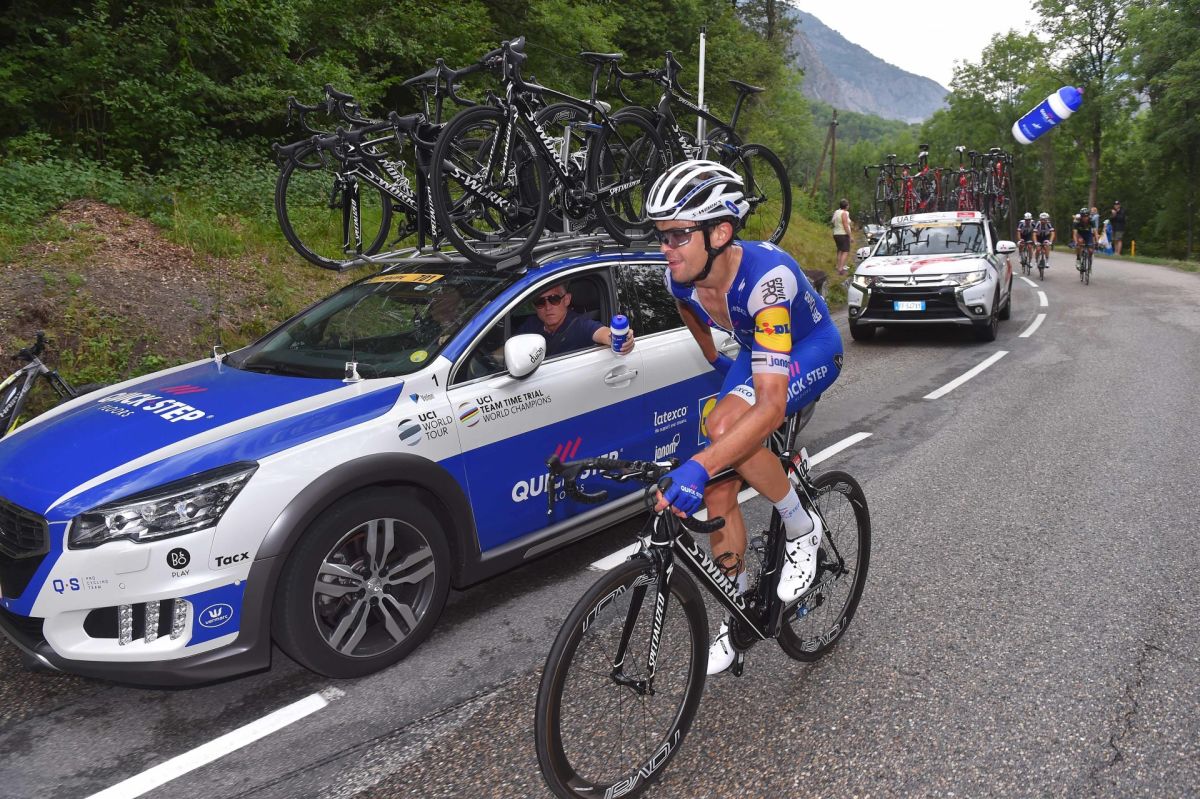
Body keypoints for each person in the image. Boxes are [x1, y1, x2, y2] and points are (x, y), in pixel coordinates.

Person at [645, 160, 843, 675]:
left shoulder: (766, 282)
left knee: (722, 433)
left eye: (678, 235)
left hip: (811, 347)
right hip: (756, 349)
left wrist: (697, 465)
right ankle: (736, 615)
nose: (666, 248)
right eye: (661, 235)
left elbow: (771, 406)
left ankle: (801, 525)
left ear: (720, 233)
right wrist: (713, 354)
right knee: (718, 490)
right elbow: (689, 309)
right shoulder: (681, 277)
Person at [515, 281, 634, 357]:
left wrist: (621, 338)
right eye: (540, 302)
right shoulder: (531, 324)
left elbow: (602, 333)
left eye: (554, 299)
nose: (548, 307)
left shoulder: (580, 325)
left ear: (567, 300)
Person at [831, 199, 852, 275]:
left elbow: (833, 221)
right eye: (848, 205)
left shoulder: (836, 212)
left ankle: (838, 266)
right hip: (843, 234)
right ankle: (840, 269)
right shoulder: (844, 213)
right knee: (845, 251)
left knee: (839, 250)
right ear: (846, 206)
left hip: (836, 233)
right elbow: (845, 225)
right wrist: (850, 236)